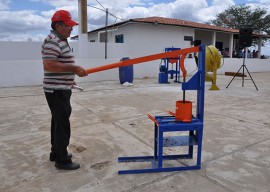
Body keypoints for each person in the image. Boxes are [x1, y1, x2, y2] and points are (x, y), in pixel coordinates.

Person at [41, 10, 87, 170]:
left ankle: (55, 152)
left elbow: (56, 63)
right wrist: (74, 68)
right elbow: (49, 64)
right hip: (56, 90)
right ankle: (62, 159)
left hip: (61, 88)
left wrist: (71, 75)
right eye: (68, 26)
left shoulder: (60, 40)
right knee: (62, 124)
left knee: (57, 120)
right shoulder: (53, 40)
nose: (71, 29)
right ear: (58, 25)